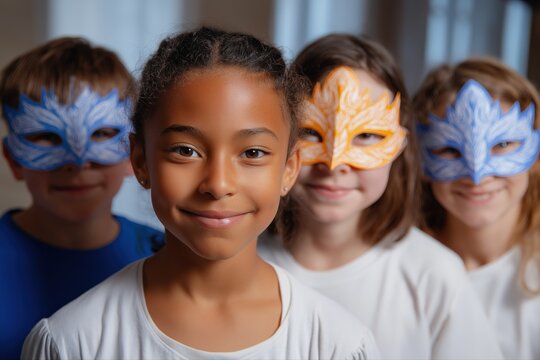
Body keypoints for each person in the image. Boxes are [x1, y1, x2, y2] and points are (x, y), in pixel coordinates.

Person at [22, 27, 379, 359]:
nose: (219, 184)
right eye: (185, 150)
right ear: (140, 161)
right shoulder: (73, 341)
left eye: (252, 153)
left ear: (289, 169)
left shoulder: (338, 345)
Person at [258, 33, 503, 359]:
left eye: (367, 136)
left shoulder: (434, 276)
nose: (335, 164)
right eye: (311, 132)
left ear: (400, 142)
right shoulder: (242, 260)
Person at [0, 37, 164, 360]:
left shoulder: (167, 257)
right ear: (14, 159)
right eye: (46, 137)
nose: (77, 162)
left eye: (101, 133)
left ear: (135, 154)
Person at [413, 57, 540, 359]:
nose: (477, 175)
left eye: (502, 145)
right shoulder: (405, 269)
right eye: (449, 149)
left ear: (536, 154)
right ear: (419, 159)